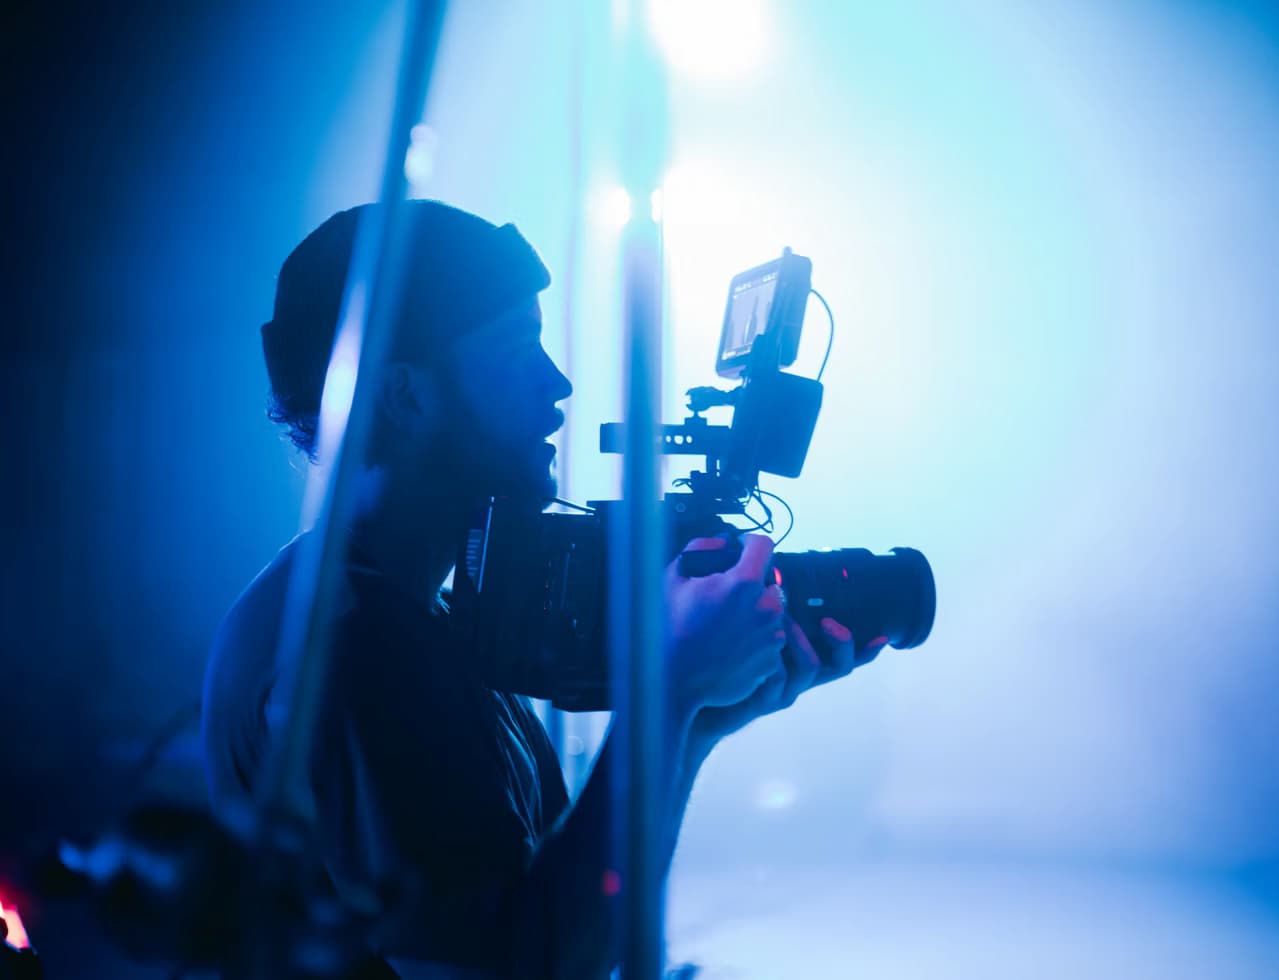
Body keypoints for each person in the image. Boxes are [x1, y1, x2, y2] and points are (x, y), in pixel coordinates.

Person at [201, 200, 886, 979]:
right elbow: (513, 969)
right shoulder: (359, 642)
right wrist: (667, 697)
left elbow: (555, 912)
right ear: (405, 395)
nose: (557, 384)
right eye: (519, 348)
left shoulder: (410, 615)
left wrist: (694, 721)